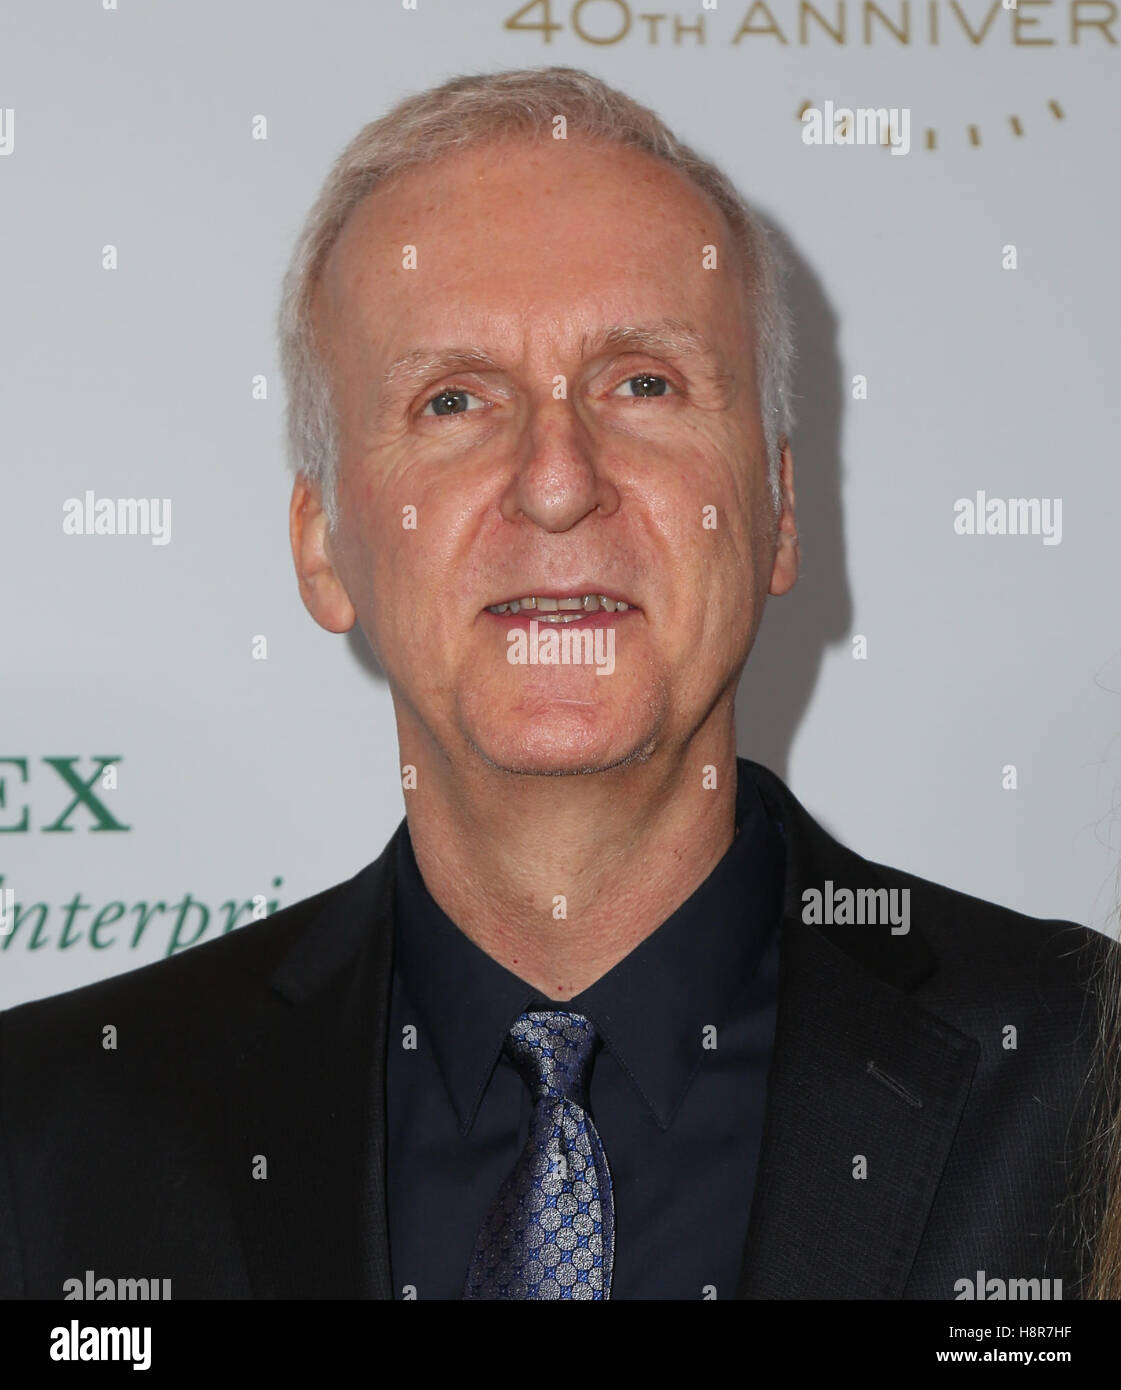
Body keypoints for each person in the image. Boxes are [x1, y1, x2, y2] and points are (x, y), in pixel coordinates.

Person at [0, 66, 1107, 1300]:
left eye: (642, 382)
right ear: (324, 548)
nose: (556, 479)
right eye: (454, 400)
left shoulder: (1082, 1071)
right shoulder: (52, 1129)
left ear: (780, 508)